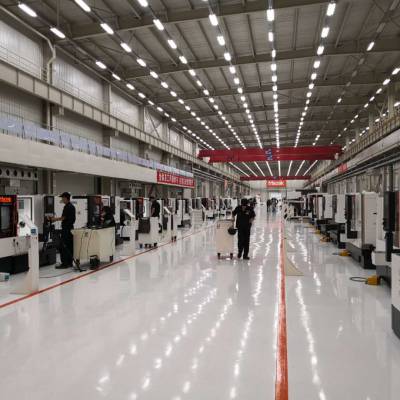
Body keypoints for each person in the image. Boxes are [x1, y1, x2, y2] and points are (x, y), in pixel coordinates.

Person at [51, 192, 76, 269]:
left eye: (62, 198)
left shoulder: (67, 207)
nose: (62, 199)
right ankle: (69, 263)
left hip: (66, 229)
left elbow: (64, 217)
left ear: (65, 198)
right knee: (69, 246)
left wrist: (54, 219)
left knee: (63, 246)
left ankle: (64, 264)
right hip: (70, 229)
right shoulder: (72, 206)